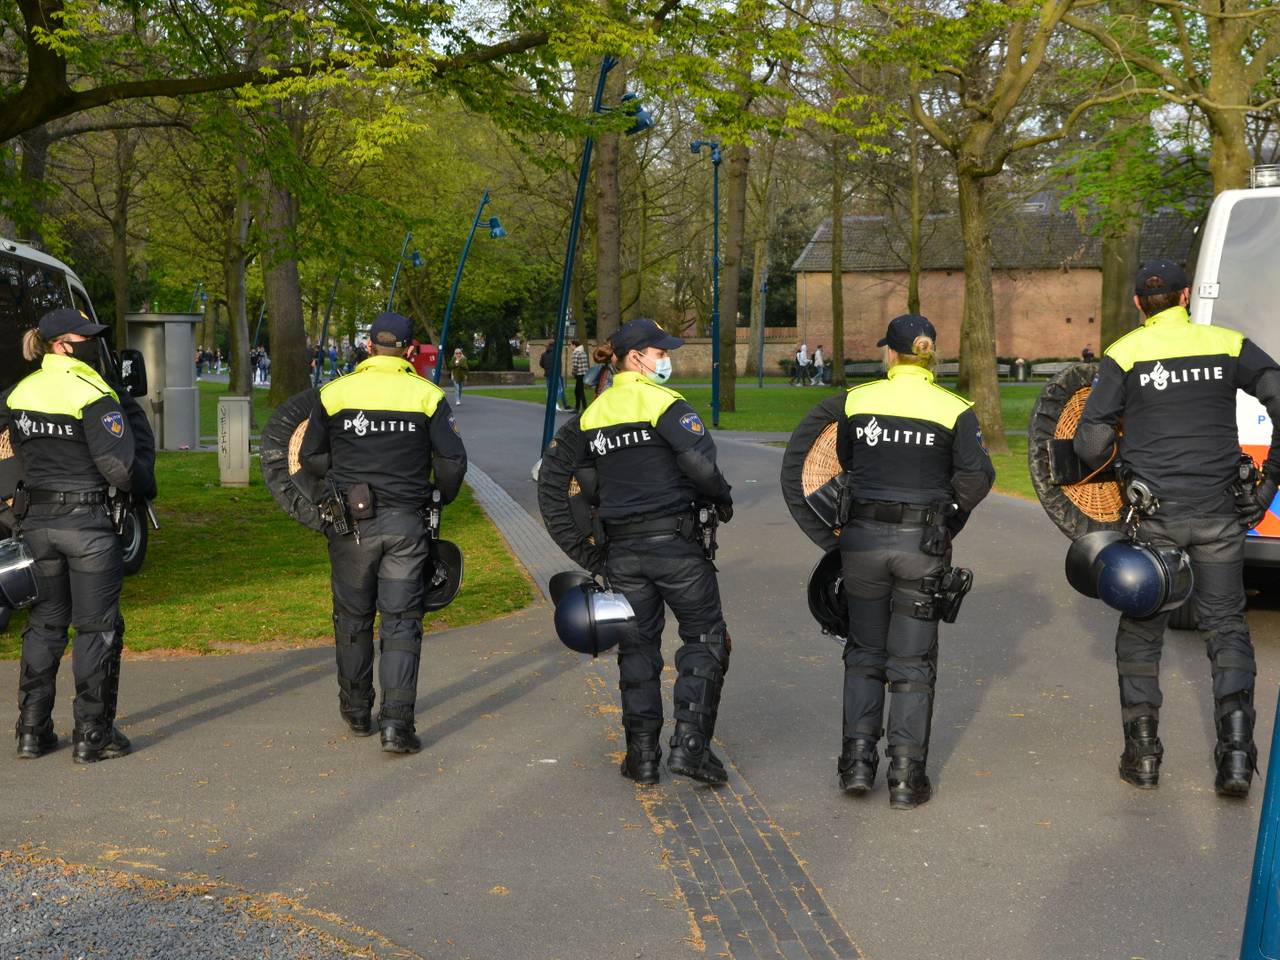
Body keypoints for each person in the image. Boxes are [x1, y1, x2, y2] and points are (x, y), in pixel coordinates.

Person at [1074, 259, 1280, 797]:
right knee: (1227, 629)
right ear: (1186, 296)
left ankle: (1143, 757)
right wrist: (1266, 487)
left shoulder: (1124, 354)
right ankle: (1236, 759)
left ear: (1140, 304)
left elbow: (1090, 445)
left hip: (1154, 521)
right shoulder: (1229, 344)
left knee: (1142, 631)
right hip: (1220, 513)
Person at [829, 314, 994, 809]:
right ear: (929, 353)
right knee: (912, 663)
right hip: (920, 545)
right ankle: (906, 777)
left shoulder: (857, 401)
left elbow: (846, 460)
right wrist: (947, 521)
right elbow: (976, 478)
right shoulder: (954, 409)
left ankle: (857, 766)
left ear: (891, 354)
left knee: (863, 653)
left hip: (861, 544)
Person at [565, 318, 735, 785]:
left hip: (623, 551)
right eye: (660, 352)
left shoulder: (594, 413)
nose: (666, 359)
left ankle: (641, 756)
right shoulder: (665, 404)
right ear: (636, 357)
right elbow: (700, 464)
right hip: (675, 546)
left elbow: (581, 487)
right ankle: (691, 748)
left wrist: (597, 543)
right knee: (704, 639)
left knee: (636, 650)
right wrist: (722, 498)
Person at [299, 311, 467, 754]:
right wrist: (438, 496)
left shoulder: (334, 394)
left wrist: (343, 479)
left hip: (351, 527)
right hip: (406, 525)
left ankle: (356, 712)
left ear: (369, 346)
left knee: (352, 620)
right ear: (410, 350)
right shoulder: (428, 396)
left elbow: (311, 455)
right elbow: (452, 463)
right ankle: (396, 725)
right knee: (401, 621)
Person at [4, 309, 140, 763]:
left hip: (37, 526)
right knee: (96, 628)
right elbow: (118, 469)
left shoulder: (19, 393)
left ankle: (31, 730)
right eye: (85, 338)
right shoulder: (93, 391)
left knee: (44, 625)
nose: (92, 344)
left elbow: (15, 459)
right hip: (88, 527)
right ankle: (92, 735)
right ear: (62, 344)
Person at [570, 339, 589, 413]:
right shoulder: (582, 352)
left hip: (579, 374)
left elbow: (575, 366)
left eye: (571, 345)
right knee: (579, 391)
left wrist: (573, 373)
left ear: (574, 345)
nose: (570, 346)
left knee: (578, 391)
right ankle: (583, 407)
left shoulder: (575, 353)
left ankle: (579, 408)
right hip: (584, 373)